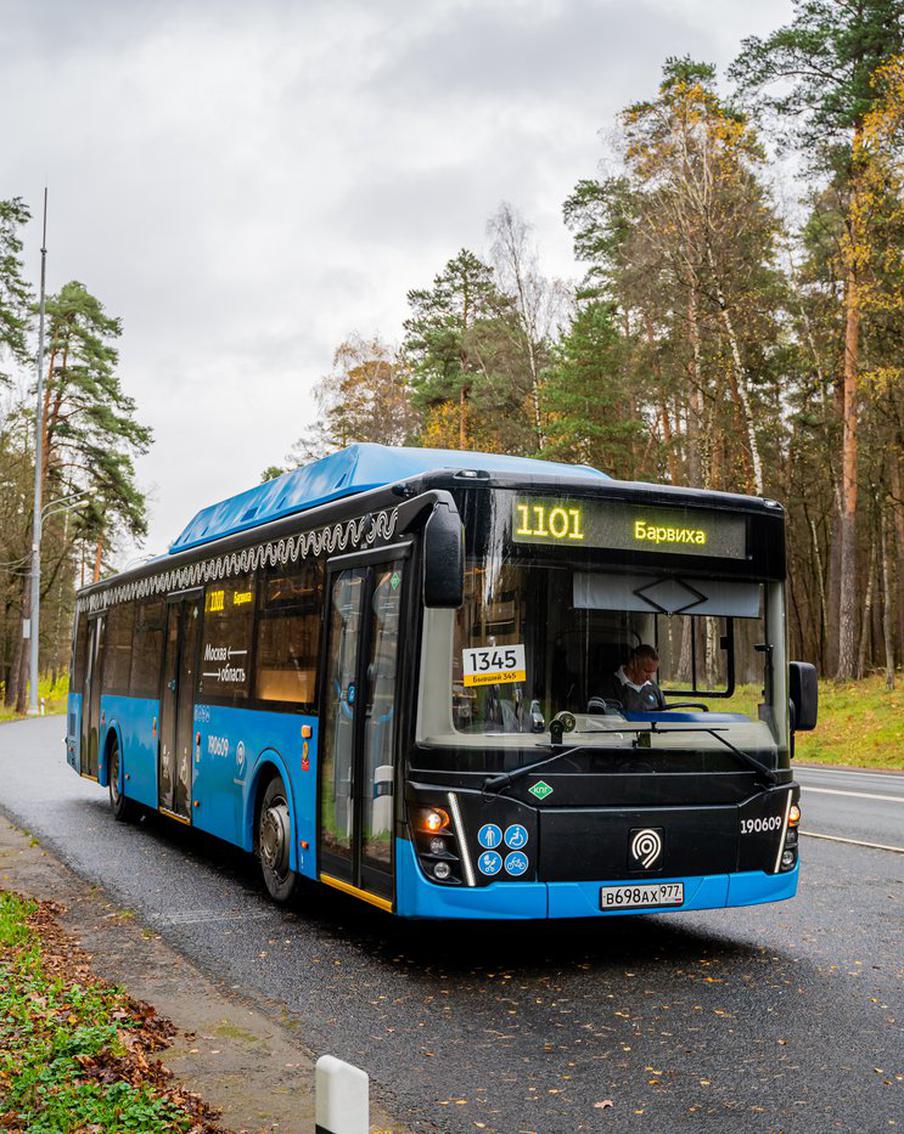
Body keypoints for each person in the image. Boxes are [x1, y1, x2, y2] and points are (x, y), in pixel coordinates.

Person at [604, 644, 666, 712]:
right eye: (646, 671)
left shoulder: (653, 687)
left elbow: (664, 713)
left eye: (652, 672)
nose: (649, 677)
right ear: (633, 664)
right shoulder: (611, 686)